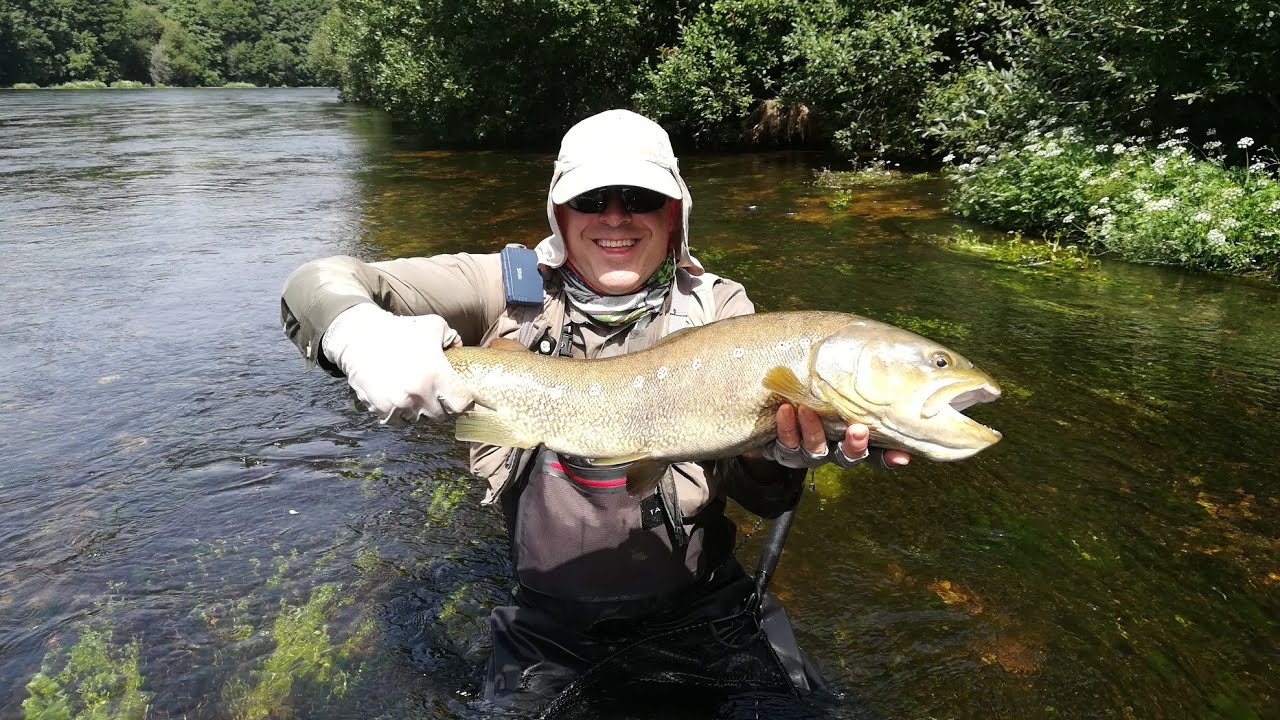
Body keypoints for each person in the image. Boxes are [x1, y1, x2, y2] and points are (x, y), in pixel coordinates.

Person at [280, 109, 910, 714]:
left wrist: (777, 456)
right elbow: (316, 282)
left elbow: (763, 496)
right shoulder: (504, 285)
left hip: (703, 605)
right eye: (591, 199)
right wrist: (357, 333)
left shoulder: (721, 310)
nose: (615, 218)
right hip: (547, 623)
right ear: (559, 212)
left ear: (674, 215)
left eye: (638, 200)